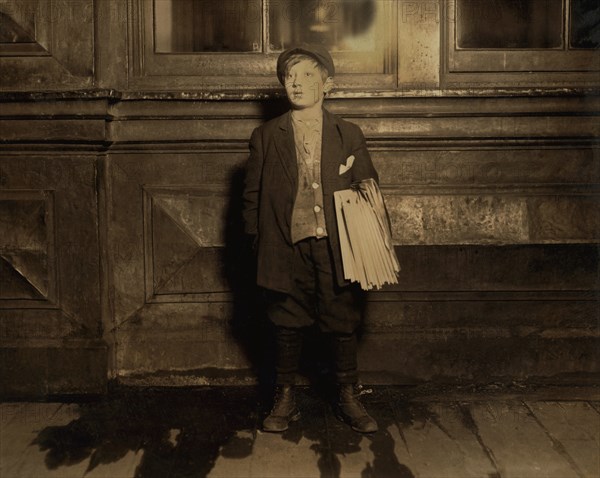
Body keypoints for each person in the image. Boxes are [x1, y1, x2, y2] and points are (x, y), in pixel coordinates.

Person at [242, 44, 379, 434]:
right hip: (286, 244)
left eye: (306, 76)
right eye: (290, 77)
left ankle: (347, 394)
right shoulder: (267, 135)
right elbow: (251, 197)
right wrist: (258, 243)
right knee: (286, 316)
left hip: (336, 244)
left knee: (341, 315)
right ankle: (285, 396)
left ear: (327, 84)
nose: (296, 83)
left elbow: (369, 188)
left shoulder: (348, 134)